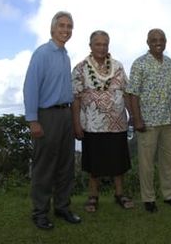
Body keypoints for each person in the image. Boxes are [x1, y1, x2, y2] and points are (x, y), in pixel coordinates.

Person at [23, 11, 81, 230]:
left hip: (65, 114)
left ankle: (63, 207)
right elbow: (30, 87)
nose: (66, 30)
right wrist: (33, 120)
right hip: (46, 116)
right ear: (52, 28)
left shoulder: (65, 56)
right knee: (45, 166)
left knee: (66, 165)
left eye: (69, 26)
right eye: (62, 26)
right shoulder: (42, 53)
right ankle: (39, 212)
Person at [71, 30, 134, 212]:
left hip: (117, 122)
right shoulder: (80, 68)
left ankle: (120, 194)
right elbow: (75, 98)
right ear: (90, 46)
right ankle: (93, 196)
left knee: (118, 161)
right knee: (94, 163)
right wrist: (76, 124)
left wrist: (133, 116)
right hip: (92, 123)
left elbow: (127, 92)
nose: (102, 47)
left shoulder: (118, 66)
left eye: (105, 44)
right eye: (98, 44)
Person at [126, 29, 171, 213]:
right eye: (154, 40)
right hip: (147, 122)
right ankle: (148, 198)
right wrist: (136, 119)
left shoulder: (170, 63)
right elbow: (132, 94)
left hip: (170, 120)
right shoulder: (139, 64)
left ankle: (169, 195)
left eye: (161, 39)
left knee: (170, 161)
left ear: (166, 41)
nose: (158, 42)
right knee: (147, 163)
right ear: (148, 42)